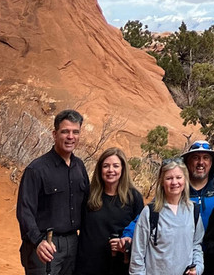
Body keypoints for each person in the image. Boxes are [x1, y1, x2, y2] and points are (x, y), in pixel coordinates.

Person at [16, 109, 90, 275]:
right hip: (45, 245)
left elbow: (88, 204)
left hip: (73, 243)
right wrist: (38, 242)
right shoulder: (36, 170)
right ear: (55, 134)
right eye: (65, 132)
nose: (70, 137)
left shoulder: (79, 167)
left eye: (75, 132)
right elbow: (24, 211)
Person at [75, 147, 144, 275]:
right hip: (88, 265)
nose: (110, 170)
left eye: (116, 166)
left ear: (123, 169)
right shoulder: (89, 193)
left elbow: (141, 231)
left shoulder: (133, 197)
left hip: (119, 266)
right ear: (100, 169)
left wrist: (126, 243)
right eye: (106, 166)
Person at [130, 159, 204, 275]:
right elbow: (137, 255)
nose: (174, 182)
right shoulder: (151, 212)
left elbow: (196, 245)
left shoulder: (193, 211)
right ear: (161, 182)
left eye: (179, 177)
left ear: (185, 180)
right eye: (169, 178)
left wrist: (198, 268)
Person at [183, 140, 214, 232]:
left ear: (211, 162)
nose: (201, 162)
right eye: (195, 158)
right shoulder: (178, 186)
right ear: (187, 162)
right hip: (185, 245)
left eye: (206, 158)